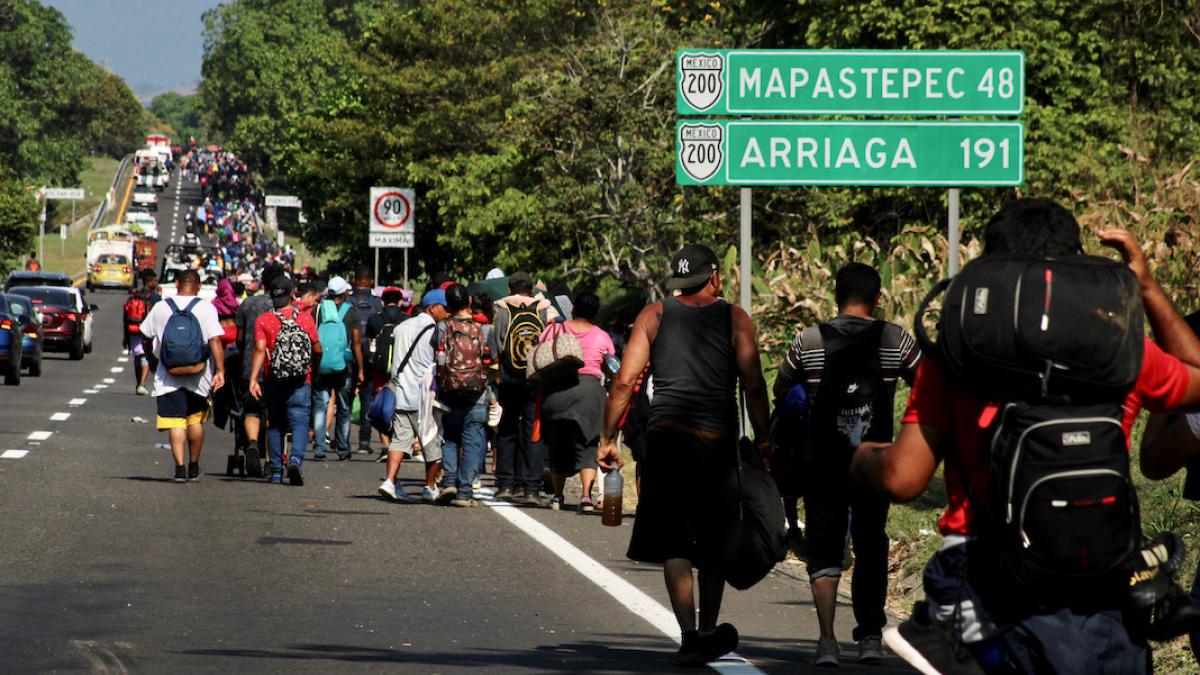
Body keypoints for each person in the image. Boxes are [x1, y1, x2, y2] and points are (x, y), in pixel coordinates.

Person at [852, 199, 1200, 673]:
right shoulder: (1118, 351)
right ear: (1078, 264)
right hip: (1099, 575)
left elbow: (903, 479)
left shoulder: (960, 348)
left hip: (984, 581)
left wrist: (862, 456)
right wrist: (1145, 287)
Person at [597, 245, 771, 667]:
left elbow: (624, 382)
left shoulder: (654, 316)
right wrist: (764, 440)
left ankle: (689, 636)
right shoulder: (735, 318)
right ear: (715, 276)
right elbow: (753, 384)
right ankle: (708, 629)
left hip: (666, 441)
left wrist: (607, 438)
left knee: (674, 540)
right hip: (716, 442)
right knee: (715, 539)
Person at [773, 262, 921, 667]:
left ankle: (826, 643)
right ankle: (870, 637)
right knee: (872, 542)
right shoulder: (895, 338)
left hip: (822, 462)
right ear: (878, 298)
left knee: (824, 546)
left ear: (835, 295)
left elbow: (781, 386)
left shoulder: (809, 340)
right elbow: (925, 382)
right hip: (874, 462)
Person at [138, 269, 227, 482]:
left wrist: (151, 359)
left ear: (177, 284)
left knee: (176, 422)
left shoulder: (161, 307)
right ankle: (194, 466)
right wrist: (220, 371)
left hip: (168, 374)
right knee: (195, 420)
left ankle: (179, 469)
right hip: (199, 375)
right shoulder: (206, 308)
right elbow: (215, 341)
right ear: (198, 286)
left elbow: (145, 337)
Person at [539, 291, 614, 512]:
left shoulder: (554, 329)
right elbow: (611, 365)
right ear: (595, 313)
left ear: (573, 309)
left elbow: (540, 350)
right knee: (588, 445)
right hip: (589, 393)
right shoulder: (602, 336)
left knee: (558, 445)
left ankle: (558, 497)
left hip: (557, 392)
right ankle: (585, 497)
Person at [489, 271, 558, 504]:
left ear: (509, 289)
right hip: (535, 380)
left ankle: (506, 485)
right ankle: (531, 488)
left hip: (508, 379)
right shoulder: (543, 309)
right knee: (533, 431)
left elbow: (495, 344)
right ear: (532, 289)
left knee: (507, 430)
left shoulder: (502, 310)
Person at [248, 276, 322, 486]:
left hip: (274, 378)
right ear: (292, 294)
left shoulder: (264, 320)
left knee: (275, 424)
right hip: (301, 379)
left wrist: (254, 378)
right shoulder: (305, 319)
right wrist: (313, 370)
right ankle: (296, 460)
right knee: (299, 423)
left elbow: (260, 349)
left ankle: (277, 472)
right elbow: (318, 349)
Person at [378, 289, 449, 503]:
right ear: (432, 308)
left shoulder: (401, 327)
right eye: (444, 308)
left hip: (400, 393)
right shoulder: (434, 331)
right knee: (431, 441)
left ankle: (390, 481)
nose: (447, 312)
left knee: (400, 440)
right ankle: (430, 487)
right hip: (424, 396)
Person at [433, 284, 491, 507]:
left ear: (447, 304)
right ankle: (465, 493)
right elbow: (492, 357)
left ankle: (449, 482)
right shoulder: (484, 329)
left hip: (449, 390)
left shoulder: (441, 327)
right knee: (473, 440)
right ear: (468, 301)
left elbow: (436, 352)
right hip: (477, 392)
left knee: (450, 436)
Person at [234, 264, 283, 477]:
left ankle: (252, 443)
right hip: (278, 367)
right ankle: (271, 460)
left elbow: (239, 338)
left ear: (263, 282)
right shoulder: (285, 308)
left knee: (252, 409)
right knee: (273, 413)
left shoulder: (248, 304)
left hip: (249, 365)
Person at [311, 276, 364, 462]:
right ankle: (343, 448)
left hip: (320, 365)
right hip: (344, 366)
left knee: (320, 406)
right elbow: (357, 343)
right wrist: (360, 370)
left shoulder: (317, 310)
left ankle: (319, 447)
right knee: (344, 408)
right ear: (344, 293)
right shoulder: (352, 313)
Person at [350, 267, 383, 454]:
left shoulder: (348, 301)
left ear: (355, 281)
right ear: (370, 282)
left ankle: (341, 440)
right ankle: (364, 440)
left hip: (349, 354)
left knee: (344, 397)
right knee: (367, 397)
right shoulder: (378, 303)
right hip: (370, 355)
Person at [126, 270, 162, 396]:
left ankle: (138, 383)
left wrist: (125, 336)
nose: (157, 283)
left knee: (138, 357)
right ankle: (142, 384)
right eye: (155, 281)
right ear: (150, 281)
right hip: (149, 331)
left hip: (134, 330)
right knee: (146, 357)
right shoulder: (155, 297)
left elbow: (126, 315)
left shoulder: (135, 295)